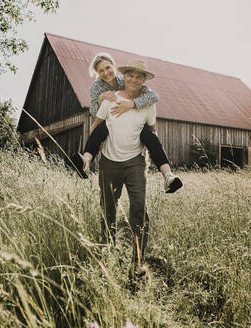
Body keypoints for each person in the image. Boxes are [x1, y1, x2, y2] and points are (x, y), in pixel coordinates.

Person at [79, 53, 182, 193]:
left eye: (108, 67)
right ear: (97, 73)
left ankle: (168, 176)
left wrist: (132, 104)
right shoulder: (96, 87)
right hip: (110, 119)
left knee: (150, 135)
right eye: (101, 71)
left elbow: (153, 96)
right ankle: (85, 161)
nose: (106, 72)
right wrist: (100, 99)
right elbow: (94, 112)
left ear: (113, 66)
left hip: (133, 121)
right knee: (101, 129)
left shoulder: (125, 79)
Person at [95, 59, 157, 277]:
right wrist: (90, 152)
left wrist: (149, 157)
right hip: (109, 163)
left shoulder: (148, 103)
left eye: (139, 76)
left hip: (135, 163)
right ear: (125, 76)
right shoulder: (109, 98)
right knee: (108, 210)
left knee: (139, 209)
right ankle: (108, 255)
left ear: (143, 80)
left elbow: (152, 132)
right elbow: (96, 128)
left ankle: (138, 260)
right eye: (130, 75)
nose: (134, 79)